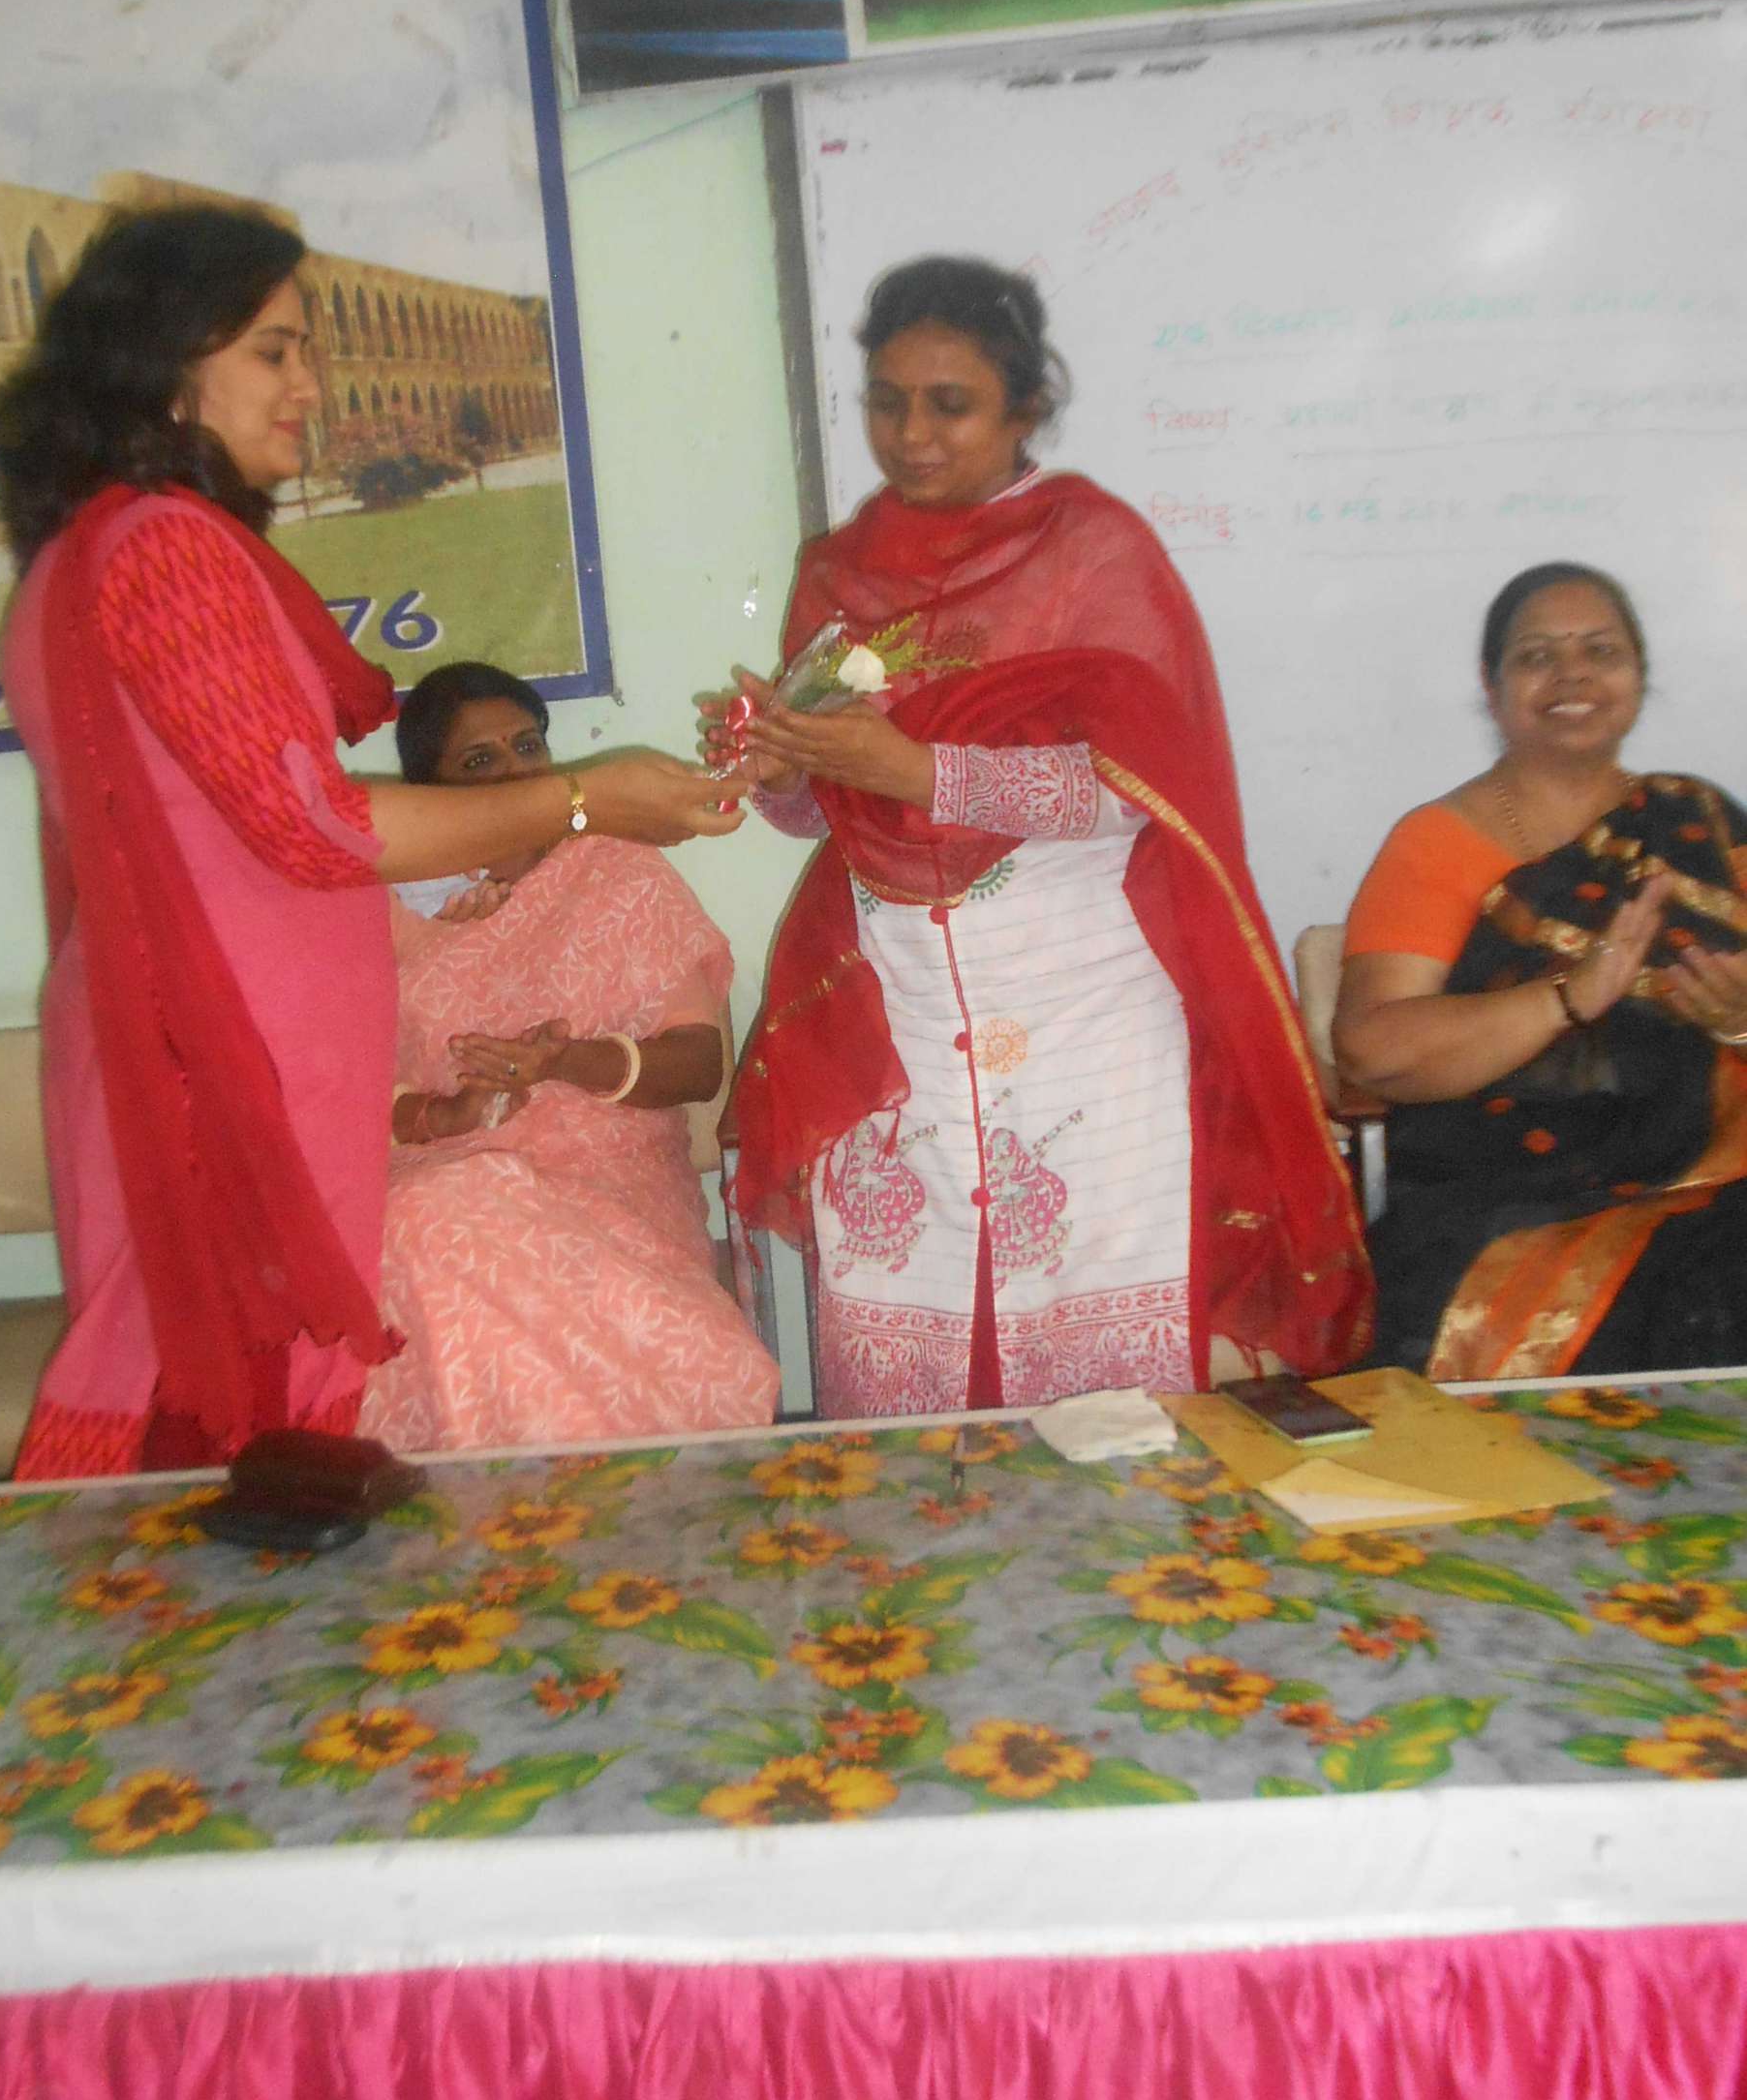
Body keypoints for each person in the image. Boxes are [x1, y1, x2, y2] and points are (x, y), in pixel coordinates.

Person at [0, 204, 741, 1478]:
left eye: (310, 352)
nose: (312, 387)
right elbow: (316, 823)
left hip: (184, 1037)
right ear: (164, 361)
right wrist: (582, 799)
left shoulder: (73, 560)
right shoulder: (163, 550)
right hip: (226, 1061)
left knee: (208, 1423)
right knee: (244, 1427)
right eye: (274, 351)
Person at [725, 256, 1368, 1415]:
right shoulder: (837, 569)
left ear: (1025, 407)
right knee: (908, 1337)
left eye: (951, 404)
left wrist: (920, 770)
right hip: (898, 1005)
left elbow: (1142, 788)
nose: (911, 435)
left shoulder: (1093, 549)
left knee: (1098, 1356)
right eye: (887, 401)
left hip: (1085, 1008)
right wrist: (782, 769)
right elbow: (824, 807)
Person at [1334, 563, 1747, 1379]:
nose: (1572, 675)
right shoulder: (1434, 844)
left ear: (1637, 675)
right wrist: (1565, 996)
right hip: (1497, 1190)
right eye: (1536, 656)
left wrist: (1738, 1024)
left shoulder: (1698, 822)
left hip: (1701, 1172)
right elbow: (1371, 1051)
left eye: (1600, 650)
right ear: (1492, 688)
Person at [360, 662, 782, 1449]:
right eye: (479, 760)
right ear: (429, 792)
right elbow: (341, 1095)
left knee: (431, 1229)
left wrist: (567, 1062)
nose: (516, 772)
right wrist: (445, 1113)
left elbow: (698, 1066)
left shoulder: (621, 871)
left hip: (612, 1185)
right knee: (422, 1223)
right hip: (436, 1182)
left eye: (527, 746)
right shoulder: (384, 907)